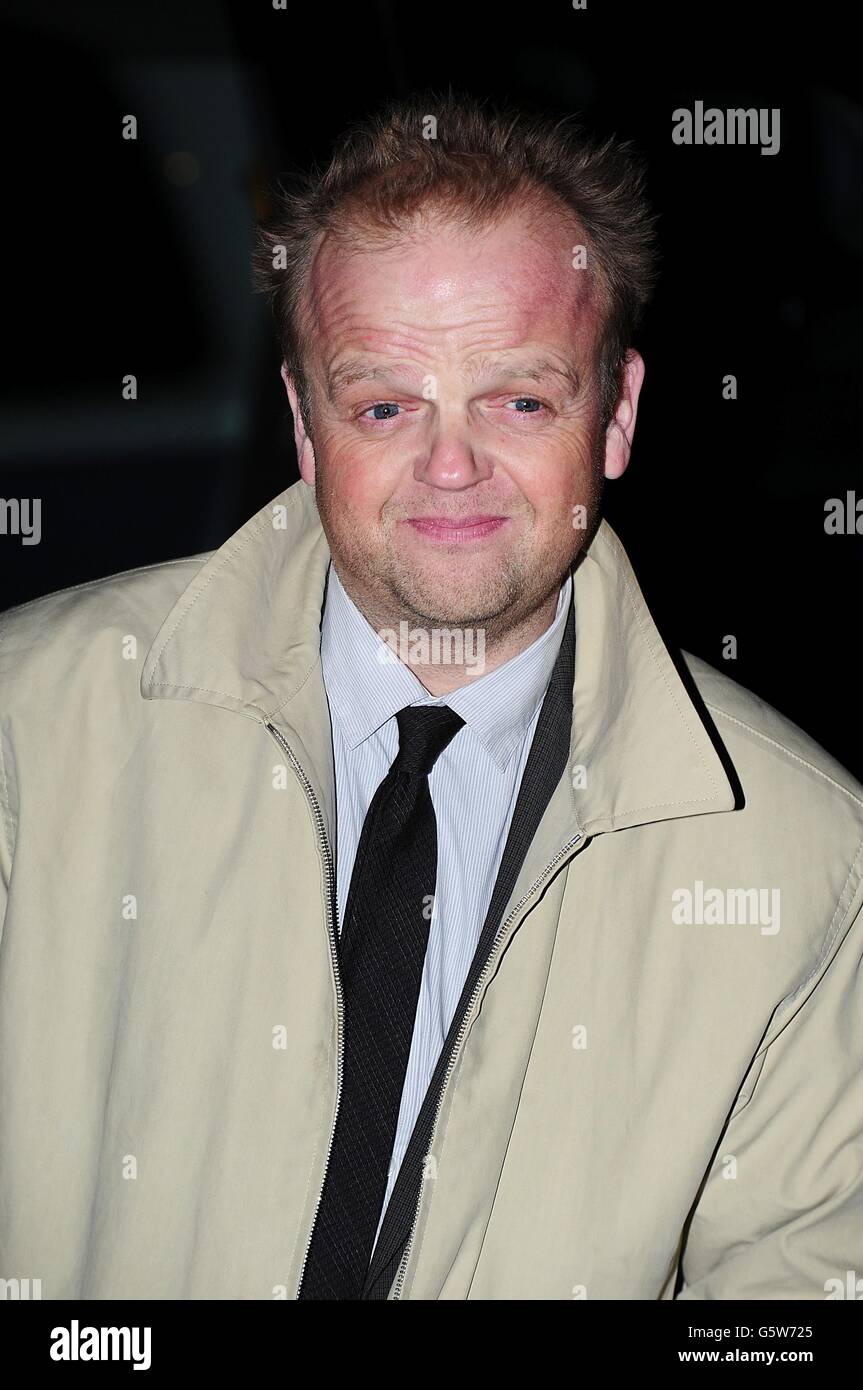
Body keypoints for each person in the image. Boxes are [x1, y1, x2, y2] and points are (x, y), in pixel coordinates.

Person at [1, 92, 861, 1302]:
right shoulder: (24, 738)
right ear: (304, 426)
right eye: (385, 406)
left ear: (614, 414)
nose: (449, 467)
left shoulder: (803, 861)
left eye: (517, 399)